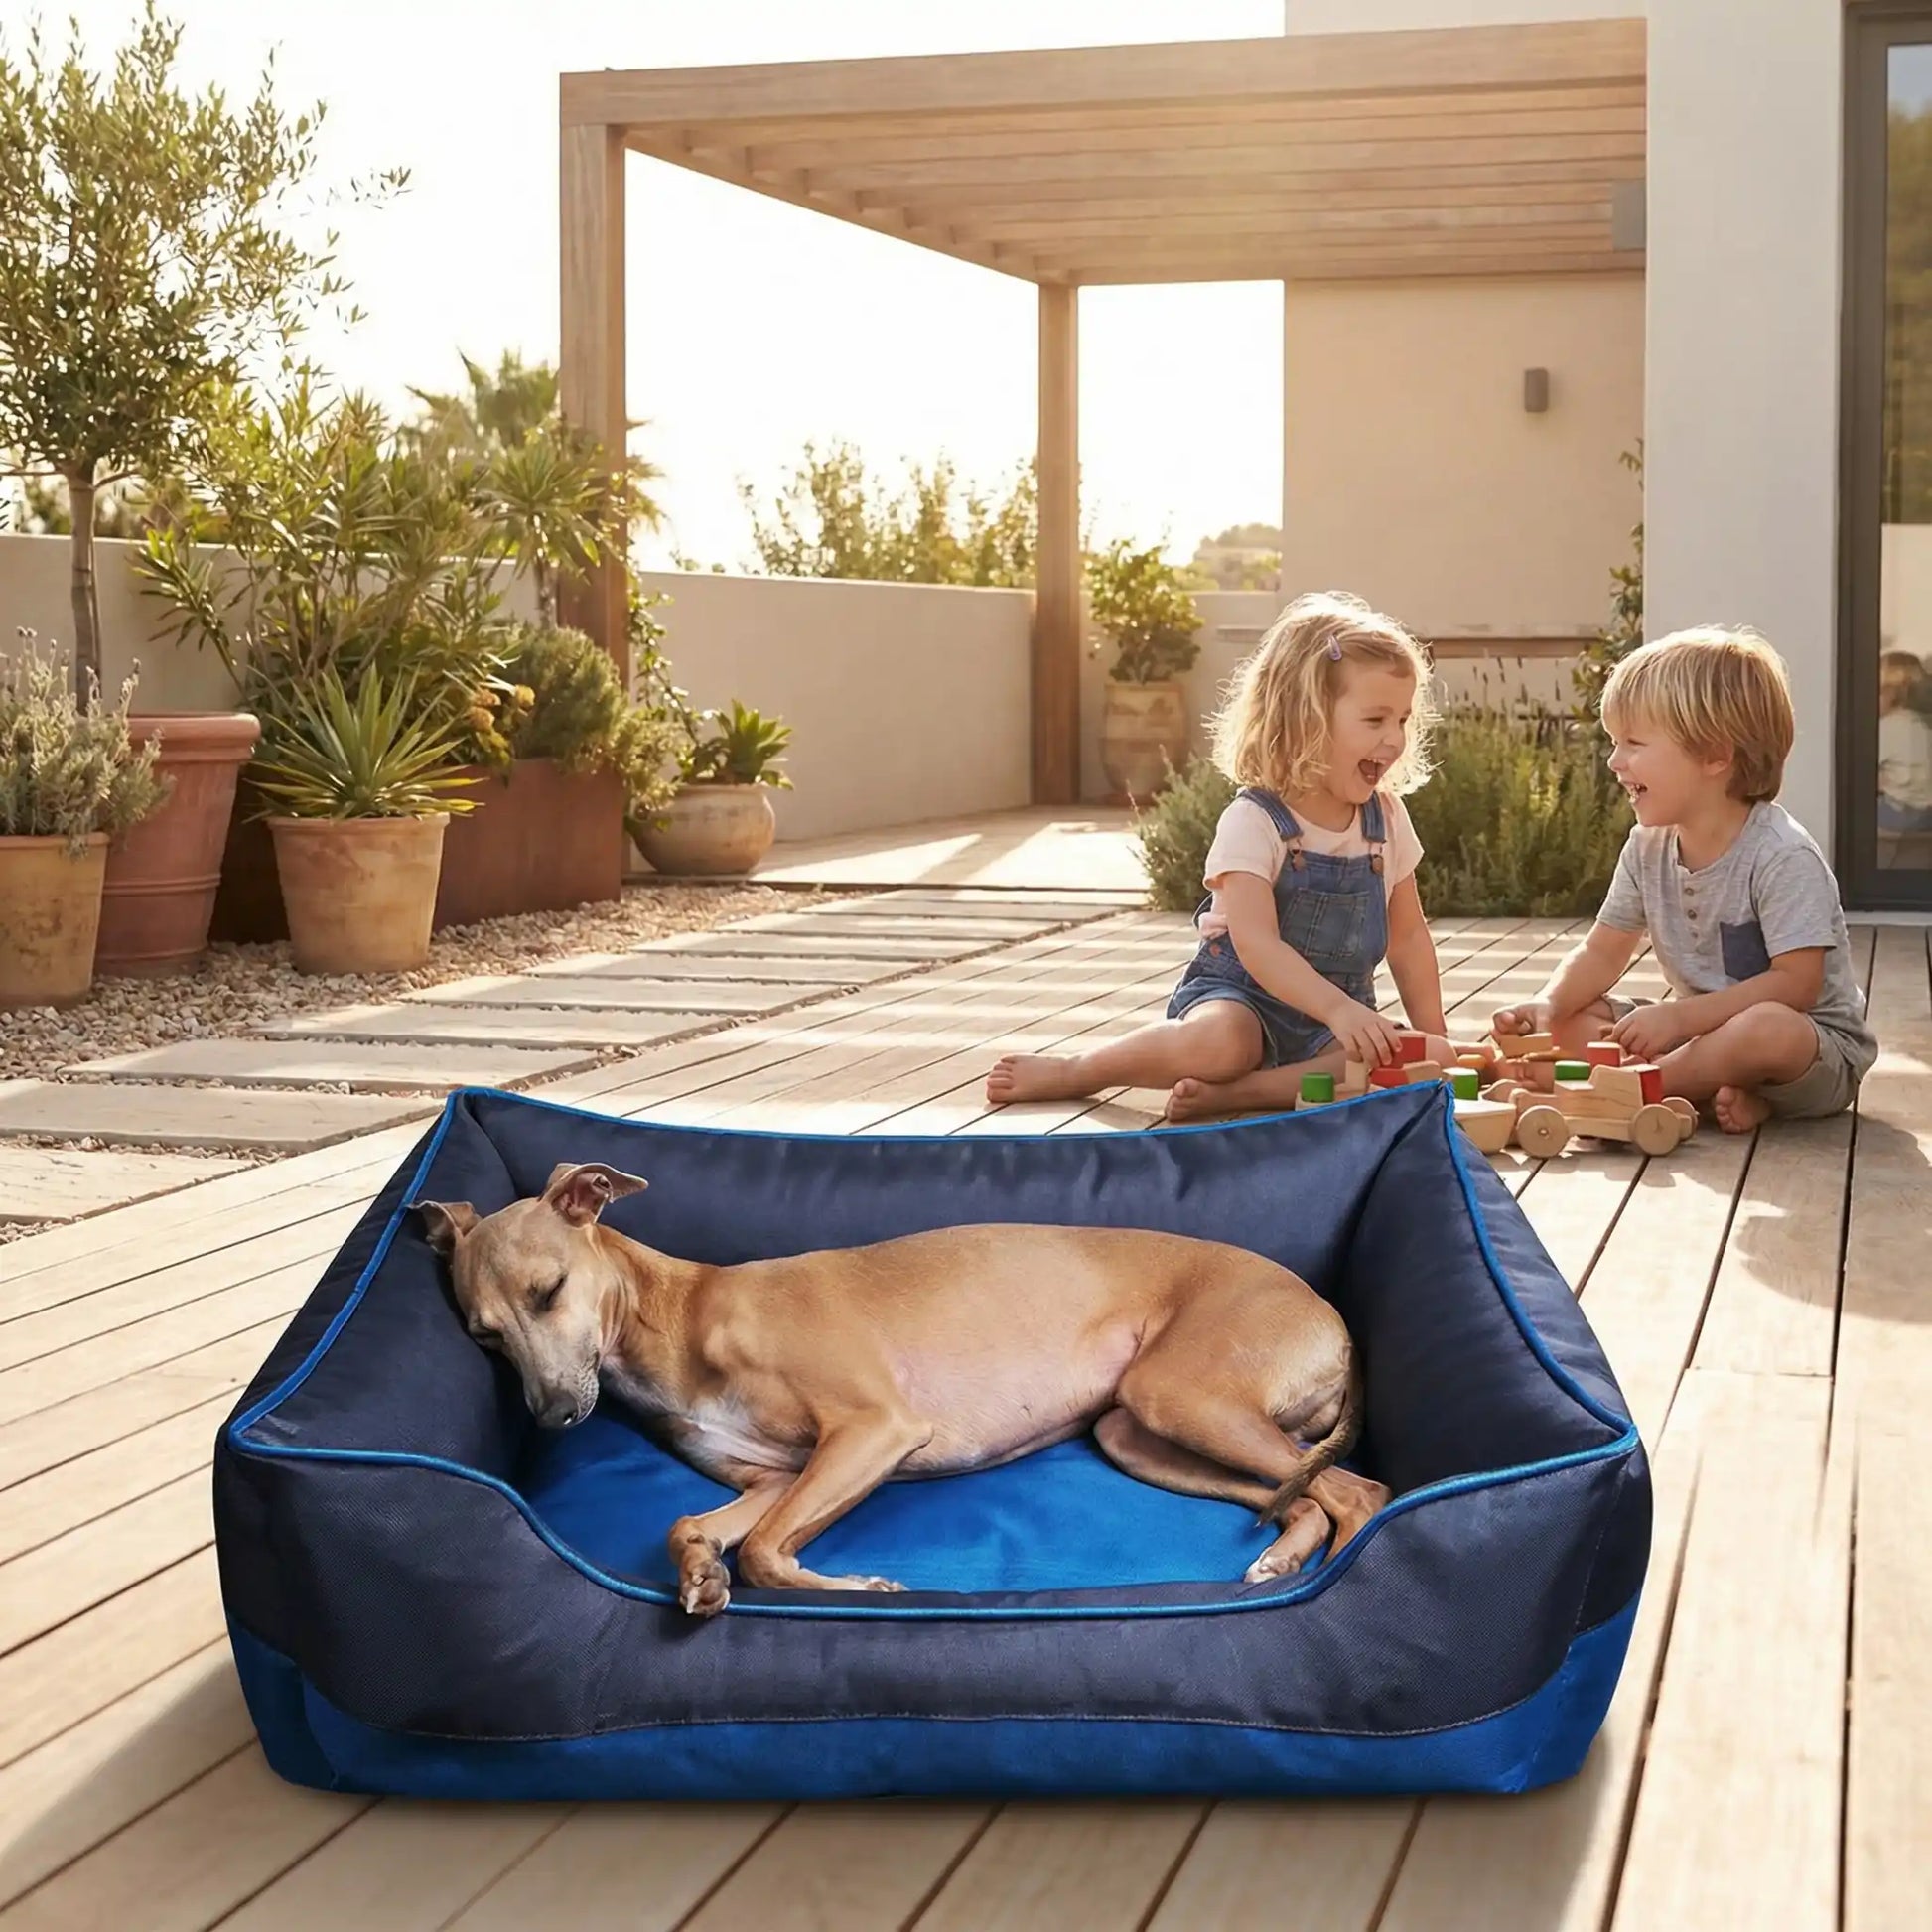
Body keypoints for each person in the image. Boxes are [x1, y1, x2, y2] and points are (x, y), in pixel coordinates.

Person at [985, 590, 1456, 1121]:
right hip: (1240, 1001)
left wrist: (1434, 1039)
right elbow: (1257, 944)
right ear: (1305, 719)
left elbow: (1408, 938)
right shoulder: (1255, 821)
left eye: (1402, 720)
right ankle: (1080, 1070)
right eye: (1375, 720)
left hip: (1334, 1025)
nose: (1394, 739)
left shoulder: (1385, 820)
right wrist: (1337, 1007)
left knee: (1433, 1057)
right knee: (1223, 1046)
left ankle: (1241, 1094)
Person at [1493, 626, 1876, 1134]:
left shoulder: (1782, 854)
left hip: (1812, 1052)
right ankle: (1703, 1090)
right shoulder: (1646, 846)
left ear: (1715, 755)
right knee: (1573, 1020)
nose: (1614, 761)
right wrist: (1549, 1003)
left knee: (1764, 1029)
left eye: (1634, 743)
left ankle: (1630, 1092)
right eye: (1615, 742)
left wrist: (1678, 1020)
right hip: (1698, 1032)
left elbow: (1797, 986)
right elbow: (1603, 952)